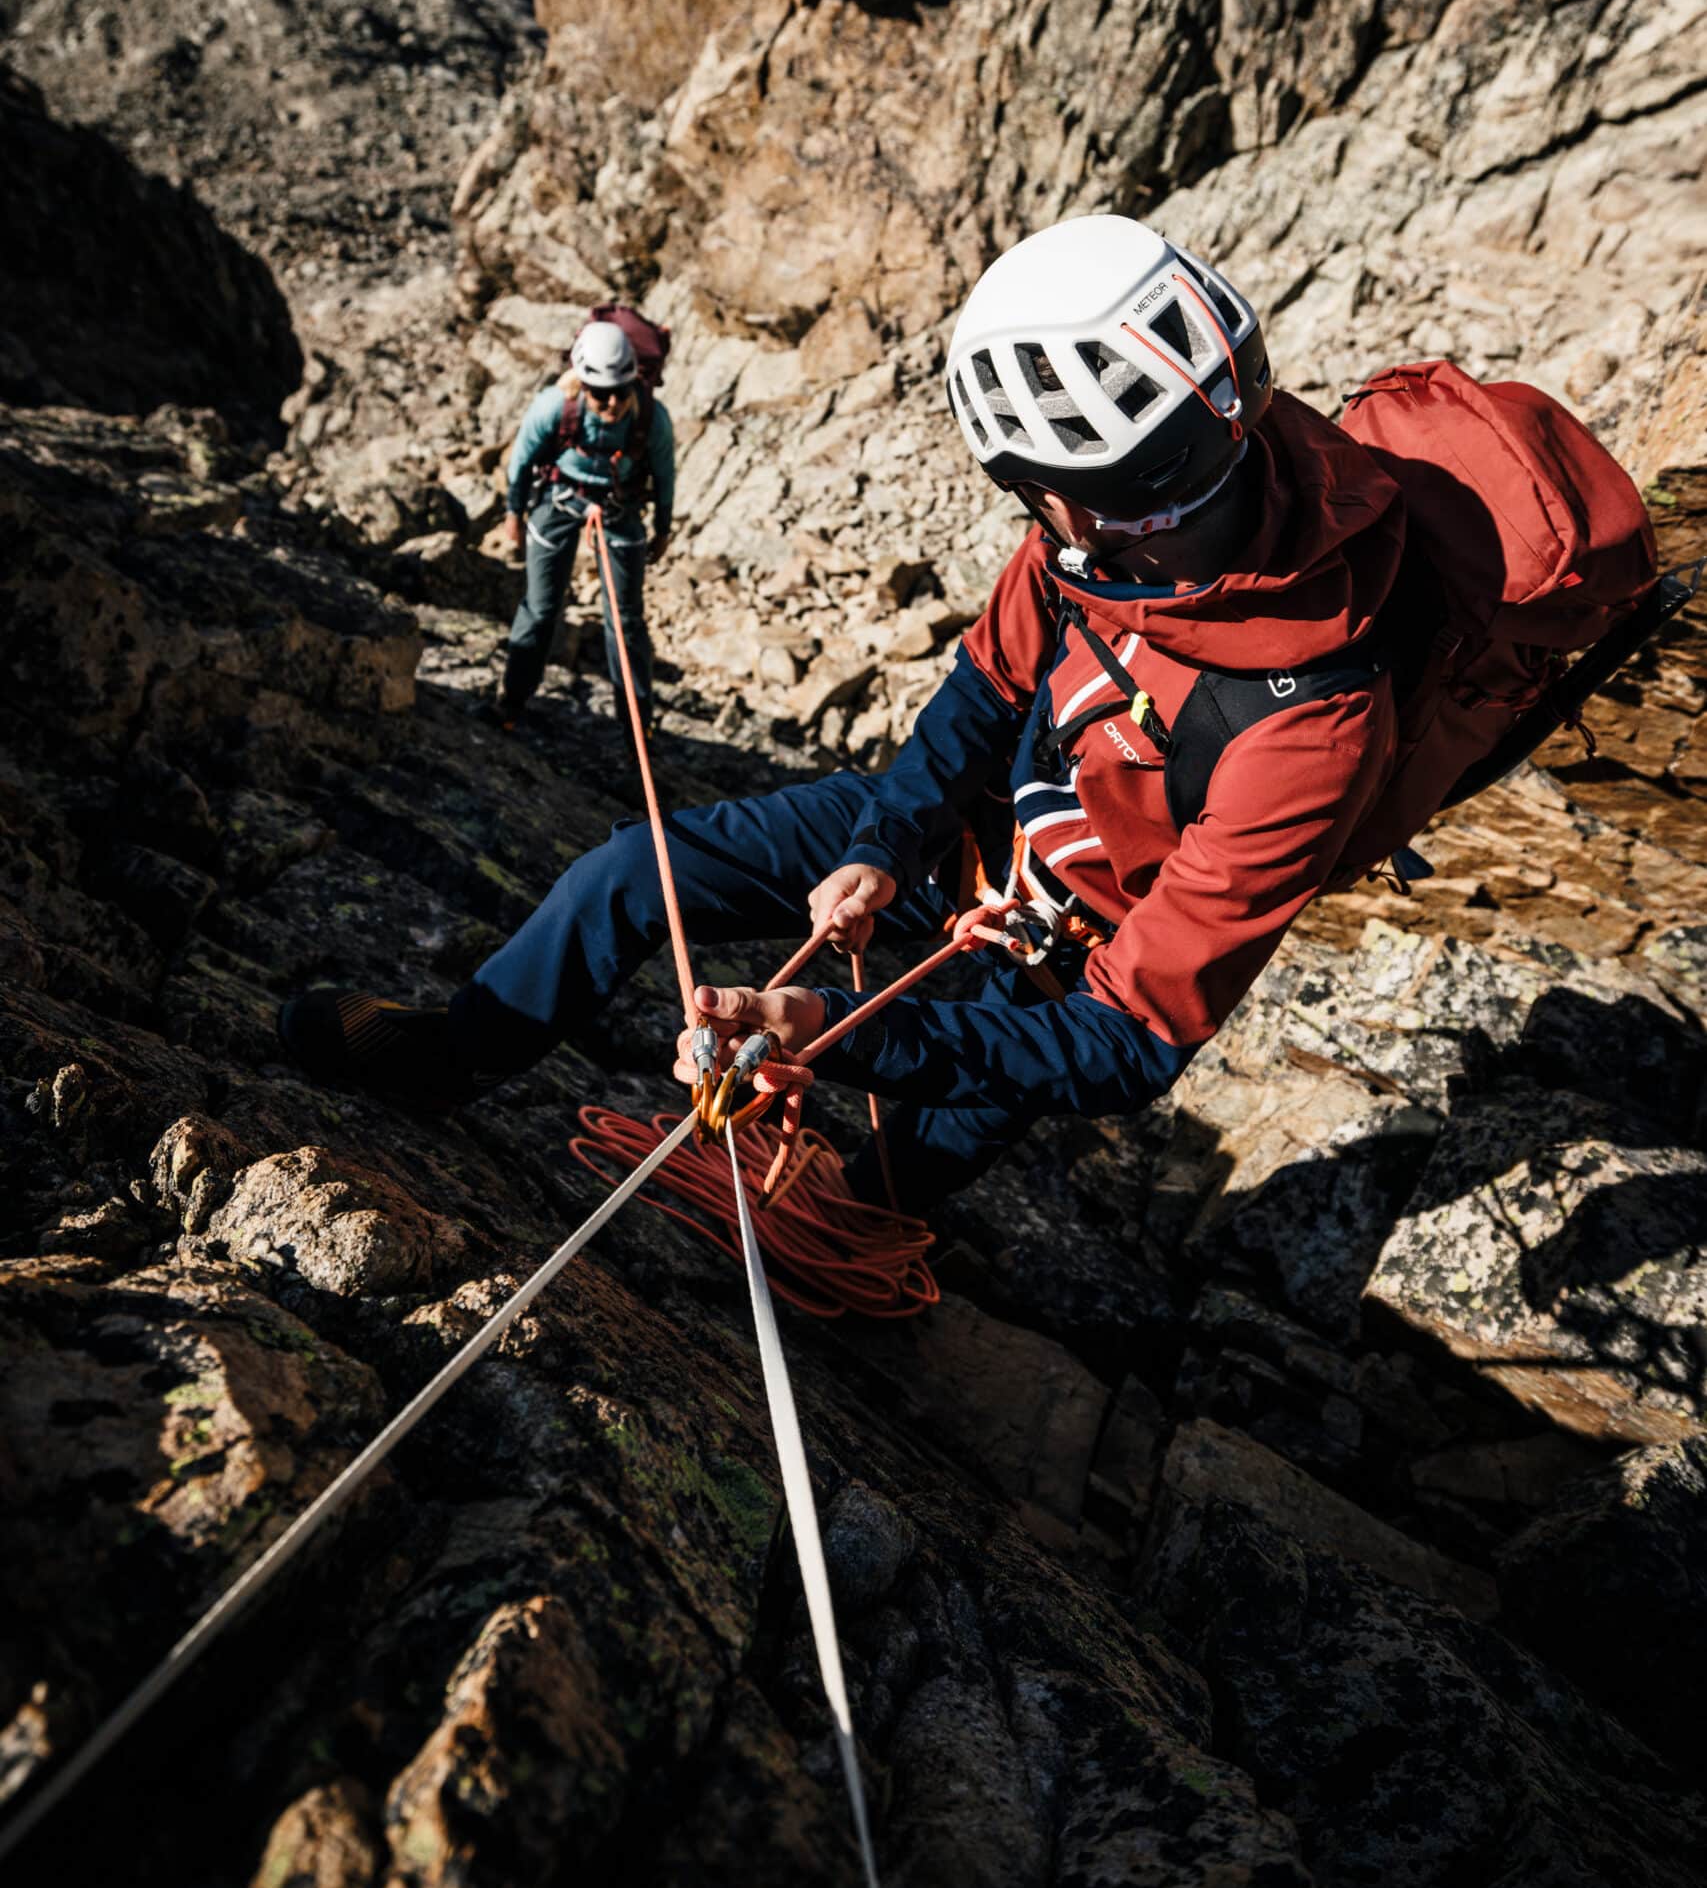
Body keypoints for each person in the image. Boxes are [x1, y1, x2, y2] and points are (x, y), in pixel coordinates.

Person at [281, 214, 1405, 1215]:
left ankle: (854, 1224)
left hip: (1083, 938)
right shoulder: (1115, 515)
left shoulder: (1310, 728)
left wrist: (834, 1030)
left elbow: (1127, 1038)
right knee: (636, 872)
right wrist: (881, 844)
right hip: (966, 830)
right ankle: (457, 1048)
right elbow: (988, 689)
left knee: (913, 1157)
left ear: (1081, 486)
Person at [489, 320, 675, 731]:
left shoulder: (651, 418)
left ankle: (637, 725)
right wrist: (513, 512)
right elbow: (520, 461)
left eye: (620, 392)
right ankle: (511, 701)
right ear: (583, 384)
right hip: (558, 501)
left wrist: (663, 527)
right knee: (541, 609)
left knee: (625, 621)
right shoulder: (553, 406)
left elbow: (664, 473)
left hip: (618, 507)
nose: (611, 404)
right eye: (601, 395)